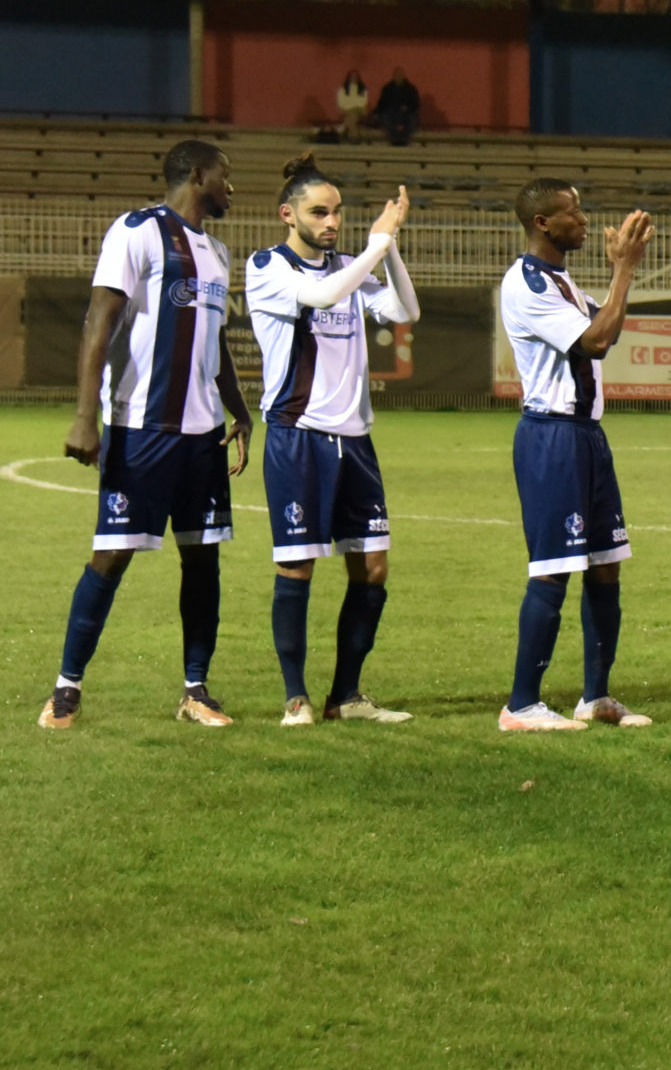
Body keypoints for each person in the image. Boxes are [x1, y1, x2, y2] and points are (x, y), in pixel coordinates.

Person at [38, 140, 255, 730]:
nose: (231, 188)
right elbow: (98, 322)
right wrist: (85, 415)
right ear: (197, 175)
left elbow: (214, 342)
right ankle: (66, 688)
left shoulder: (218, 252)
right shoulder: (136, 231)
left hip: (203, 435)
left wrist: (239, 411)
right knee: (111, 556)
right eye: (225, 176)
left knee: (203, 560)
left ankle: (196, 690)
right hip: (142, 427)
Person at [245, 156, 420, 726]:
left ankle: (345, 696)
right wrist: (376, 246)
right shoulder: (268, 266)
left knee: (373, 569)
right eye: (319, 212)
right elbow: (320, 297)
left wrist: (388, 248)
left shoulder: (349, 265)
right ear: (287, 214)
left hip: (356, 441)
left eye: (337, 211)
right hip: (299, 436)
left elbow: (405, 310)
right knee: (298, 566)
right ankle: (295, 696)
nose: (332, 222)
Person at [497, 178, 653, 731]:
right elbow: (596, 341)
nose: (583, 219)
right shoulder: (527, 283)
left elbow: (606, 326)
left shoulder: (561, 281)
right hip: (552, 438)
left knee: (606, 566)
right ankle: (521, 704)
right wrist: (624, 269)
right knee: (554, 569)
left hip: (587, 436)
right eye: (572, 211)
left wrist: (618, 275)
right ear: (542, 223)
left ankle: (595, 697)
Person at [375, 68, 421, 148]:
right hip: (391, 112)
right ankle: (395, 138)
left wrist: (407, 107)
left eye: (400, 75)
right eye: (397, 75)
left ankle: (404, 139)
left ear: (404, 76)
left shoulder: (410, 89)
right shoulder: (387, 88)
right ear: (393, 76)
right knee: (385, 118)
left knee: (412, 119)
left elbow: (415, 103)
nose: (398, 77)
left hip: (407, 112)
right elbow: (382, 103)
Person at [335, 71, 367, 143]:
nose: (354, 78)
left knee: (352, 114)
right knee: (352, 117)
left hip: (359, 110)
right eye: (352, 76)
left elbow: (363, 102)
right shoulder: (343, 89)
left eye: (355, 76)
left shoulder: (362, 89)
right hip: (347, 111)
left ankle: (343, 127)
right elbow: (341, 102)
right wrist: (350, 107)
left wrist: (352, 106)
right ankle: (354, 137)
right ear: (349, 78)